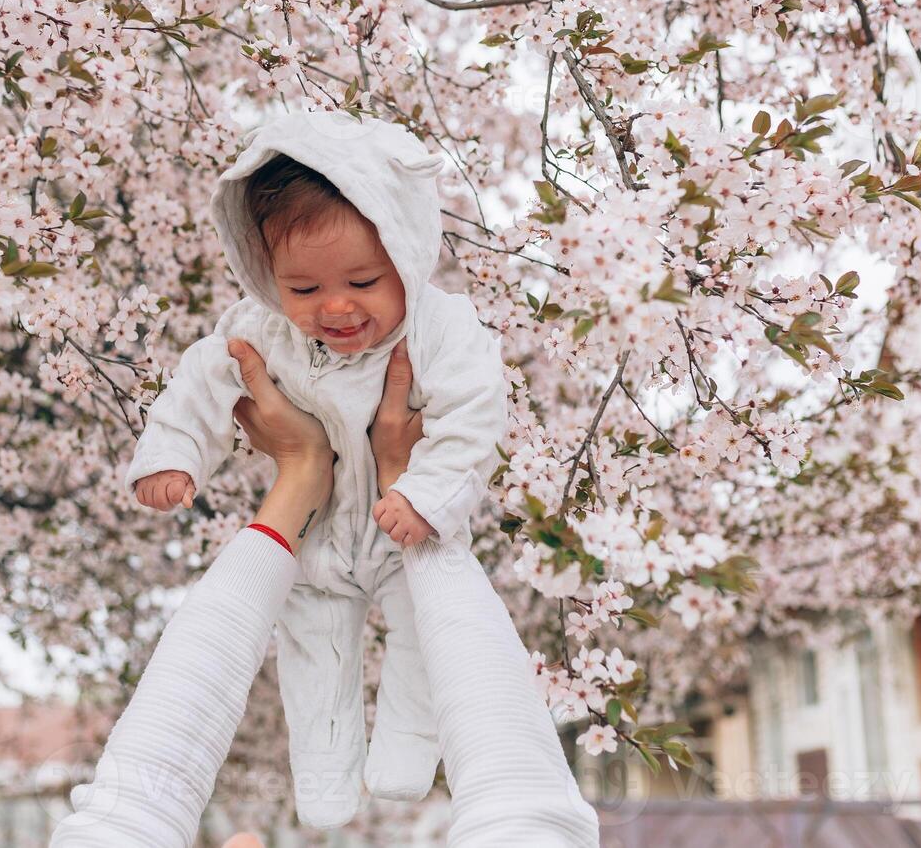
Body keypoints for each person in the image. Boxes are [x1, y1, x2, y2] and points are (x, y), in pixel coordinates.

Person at [50, 339, 599, 847]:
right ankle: (354, 770)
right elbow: (525, 810)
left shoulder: (265, 331)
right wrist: (420, 489)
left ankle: (373, 764)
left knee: (330, 650)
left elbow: (126, 820)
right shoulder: (429, 330)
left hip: (347, 529)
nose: (336, 305)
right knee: (329, 653)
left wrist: (291, 471)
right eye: (306, 288)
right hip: (392, 524)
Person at [124, 108, 508, 826]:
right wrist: (174, 453)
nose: (335, 307)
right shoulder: (260, 330)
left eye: (363, 280)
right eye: (303, 290)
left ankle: (407, 747)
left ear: (407, 252)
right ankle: (325, 771)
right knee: (312, 646)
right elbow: (202, 381)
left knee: (426, 635)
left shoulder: (441, 328)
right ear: (268, 277)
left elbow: (475, 413)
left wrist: (428, 494)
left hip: (405, 526)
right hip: (317, 535)